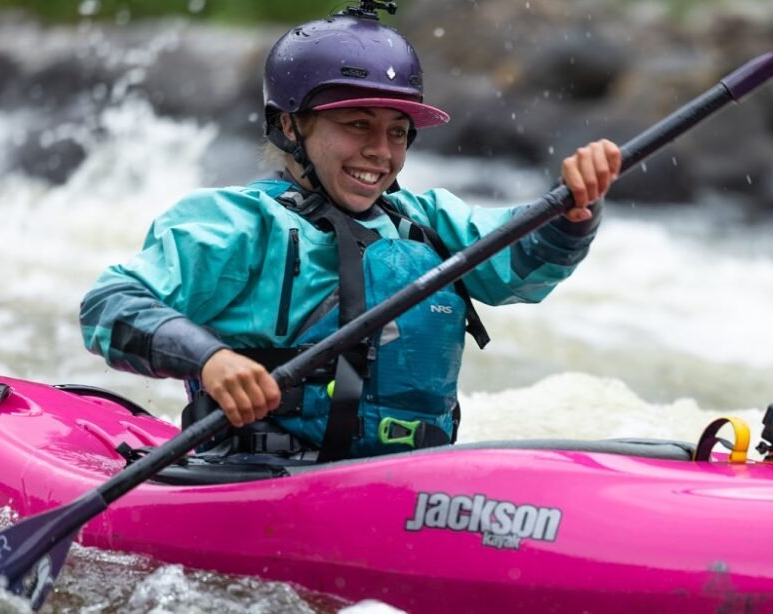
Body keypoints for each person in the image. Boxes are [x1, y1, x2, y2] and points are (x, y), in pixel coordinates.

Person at [80, 7, 621, 462]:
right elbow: (109, 305)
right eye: (357, 124)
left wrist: (574, 208)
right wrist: (209, 358)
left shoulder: (428, 222)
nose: (381, 152)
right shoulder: (233, 223)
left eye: (397, 132)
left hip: (405, 485)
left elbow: (521, 261)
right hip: (253, 481)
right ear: (290, 125)